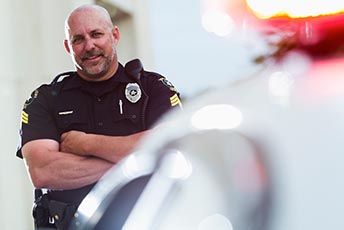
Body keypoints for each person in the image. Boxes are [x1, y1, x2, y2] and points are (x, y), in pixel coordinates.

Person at [16, 4, 182, 229]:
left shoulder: (152, 89)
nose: (89, 45)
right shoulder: (45, 99)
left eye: (96, 34)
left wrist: (85, 144)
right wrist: (138, 161)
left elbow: (171, 146)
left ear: (114, 35)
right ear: (68, 46)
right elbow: (43, 171)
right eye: (78, 39)